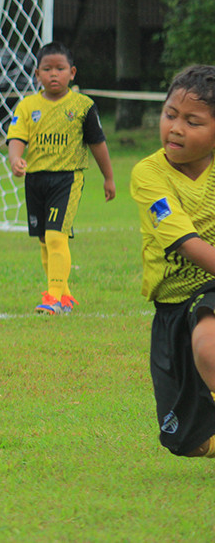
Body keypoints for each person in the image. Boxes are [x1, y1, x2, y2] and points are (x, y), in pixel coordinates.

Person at [129, 64, 215, 459]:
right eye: (170, 115)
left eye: (192, 121)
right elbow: (185, 242)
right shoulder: (149, 173)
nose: (176, 128)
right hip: (171, 308)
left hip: (209, 291)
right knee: (187, 443)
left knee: (209, 344)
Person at [6, 41, 116, 314]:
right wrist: (15, 159)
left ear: (72, 72)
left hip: (67, 179)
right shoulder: (27, 105)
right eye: (47, 69)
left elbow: (97, 143)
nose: (53, 74)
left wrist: (109, 178)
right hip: (35, 180)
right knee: (45, 239)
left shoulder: (82, 106)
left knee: (56, 237)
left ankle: (53, 297)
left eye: (60, 68)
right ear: (37, 74)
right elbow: (17, 137)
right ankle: (64, 296)